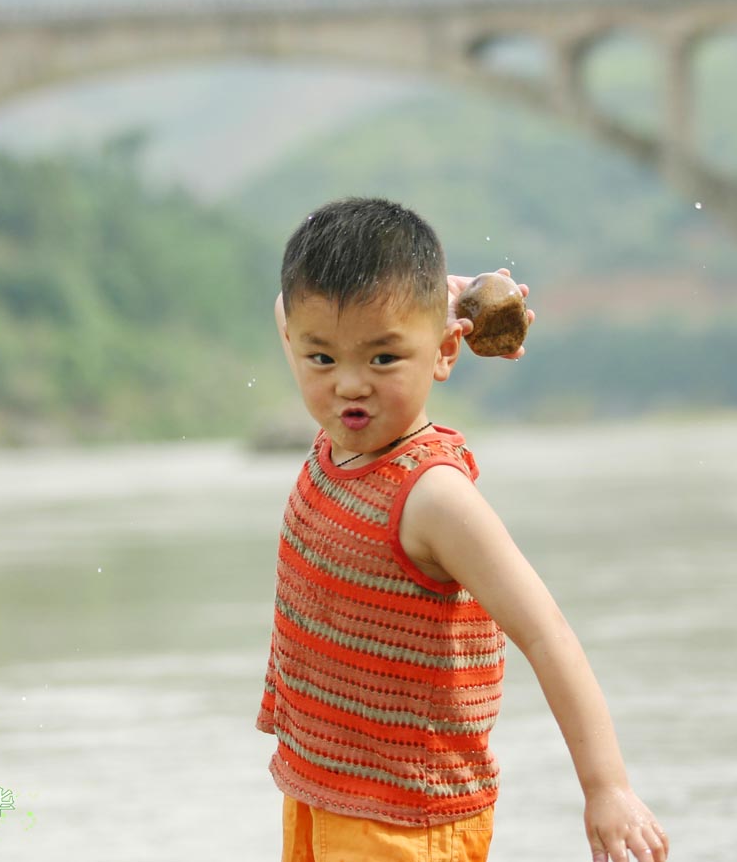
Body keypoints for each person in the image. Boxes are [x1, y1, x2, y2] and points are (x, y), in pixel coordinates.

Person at [258, 197, 668, 862]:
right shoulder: (337, 432)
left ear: (445, 353)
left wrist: (606, 788)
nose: (349, 385)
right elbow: (291, 308)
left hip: (407, 821)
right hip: (322, 791)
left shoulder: (434, 497)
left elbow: (545, 632)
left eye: (385, 359)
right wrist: (451, 294)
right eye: (322, 360)